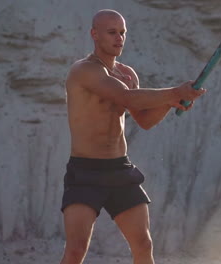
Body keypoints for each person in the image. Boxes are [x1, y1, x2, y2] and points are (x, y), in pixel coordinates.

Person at [60, 9, 206, 264]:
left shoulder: (127, 74)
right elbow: (126, 98)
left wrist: (174, 101)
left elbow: (145, 120)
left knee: (143, 244)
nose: (119, 38)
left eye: (123, 32)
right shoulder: (83, 70)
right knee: (75, 250)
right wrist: (173, 92)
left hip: (119, 169)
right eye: (112, 32)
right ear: (95, 34)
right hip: (85, 172)